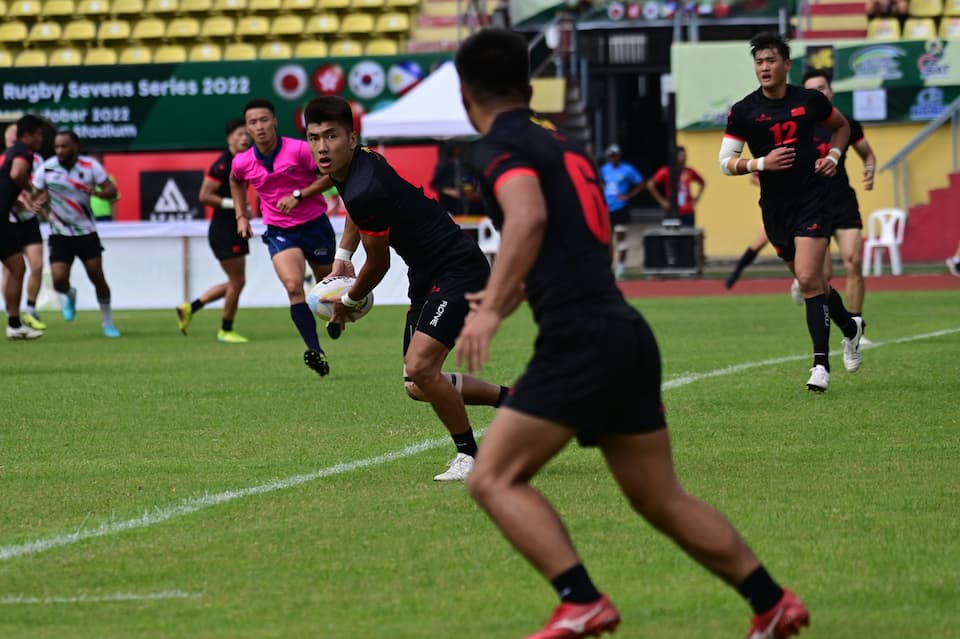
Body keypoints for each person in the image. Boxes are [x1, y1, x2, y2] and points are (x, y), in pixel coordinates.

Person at [453, 28, 810, 639]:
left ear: (466, 95)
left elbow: (529, 215)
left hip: (579, 340)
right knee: (660, 498)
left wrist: (488, 313)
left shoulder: (492, 150)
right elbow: (555, 241)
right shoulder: (560, 144)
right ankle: (770, 601)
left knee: (492, 477)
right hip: (624, 332)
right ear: (530, 87)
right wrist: (505, 295)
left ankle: (580, 599)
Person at [304, 95, 509, 482]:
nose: (322, 147)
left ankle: (471, 456)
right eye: (314, 138)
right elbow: (354, 211)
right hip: (426, 274)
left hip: (457, 269)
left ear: (352, 138)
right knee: (417, 384)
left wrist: (348, 300)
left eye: (331, 136)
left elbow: (378, 264)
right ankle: (518, 401)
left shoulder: (366, 184)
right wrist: (342, 256)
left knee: (420, 366)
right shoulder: (350, 167)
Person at [720, 31, 863, 392]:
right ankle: (851, 326)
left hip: (812, 199)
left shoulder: (810, 101)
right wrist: (760, 163)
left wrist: (833, 156)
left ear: (786, 65)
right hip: (775, 207)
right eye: (759, 62)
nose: (764, 67)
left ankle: (820, 366)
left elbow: (841, 127)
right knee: (809, 280)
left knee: (808, 277)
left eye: (770, 61)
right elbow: (725, 163)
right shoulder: (744, 111)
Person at [230, 98, 338, 376]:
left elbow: (331, 175)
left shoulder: (300, 150)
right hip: (279, 230)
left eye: (264, 120)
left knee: (328, 288)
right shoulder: (242, 161)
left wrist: (299, 195)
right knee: (293, 286)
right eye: (253, 122)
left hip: (315, 225)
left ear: (275, 121)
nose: (259, 126)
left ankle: (339, 319)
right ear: (248, 127)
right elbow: (235, 180)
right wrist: (241, 215)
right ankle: (316, 350)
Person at [803, 69, 876, 335]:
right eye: (812, 90)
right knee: (822, 278)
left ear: (831, 91)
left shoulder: (846, 123)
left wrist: (869, 168)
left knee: (853, 261)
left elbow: (867, 154)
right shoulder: (799, 127)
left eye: (822, 88)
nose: (818, 94)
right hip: (812, 206)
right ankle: (838, 321)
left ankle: (856, 325)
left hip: (842, 201)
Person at [33, 129, 120, 338]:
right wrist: (39, 205)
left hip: (86, 231)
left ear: (76, 146)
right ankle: (70, 295)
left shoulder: (91, 167)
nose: (60, 150)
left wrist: (97, 193)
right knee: (59, 280)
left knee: (97, 276)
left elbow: (112, 191)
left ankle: (107, 322)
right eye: (57, 146)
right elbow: (33, 194)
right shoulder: (47, 168)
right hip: (59, 233)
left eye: (64, 146)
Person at [178, 118, 253, 344]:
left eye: (246, 134)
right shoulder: (222, 164)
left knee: (235, 281)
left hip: (234, 226)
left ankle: (189, 308)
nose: (244, 138)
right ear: (229, 138)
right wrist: (236, 206)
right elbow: (204, 196)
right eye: (240, 134)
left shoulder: (245, 160)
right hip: (224, 228)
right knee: (237, 281)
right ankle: (225, 330)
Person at [1, 115, 45, 340]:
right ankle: (14, 324)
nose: (41, 138)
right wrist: (30, 189)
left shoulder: (7, 153)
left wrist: (14, 200)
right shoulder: (23, 153)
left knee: (17, 267)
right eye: (38, 134)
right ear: (26, 135)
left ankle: (15, 324)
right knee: (18, 268)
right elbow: (17, 174)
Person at [599, 143, 645, 279]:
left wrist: (629, 195)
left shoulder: (627, 169)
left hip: (620, 207)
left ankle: (620, 266)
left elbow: (640, 182)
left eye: (615, 156)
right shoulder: (604, 169)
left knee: (620, 236)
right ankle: (608, 265)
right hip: (607, 207)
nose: (613, 158)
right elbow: (600, 181)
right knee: (607, 239)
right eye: (610, 156)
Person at [647, 146, 706, 227]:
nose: (684, 158)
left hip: (687, 210)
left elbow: (702, 182)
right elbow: (650, 185)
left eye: (685, 155)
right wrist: (661, 201)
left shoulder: (689, 171)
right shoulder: (666, 171)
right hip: (672, 209)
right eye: (681, 155)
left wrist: (697, 198)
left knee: (688, 234)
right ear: (675, 156)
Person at [430, 142, 484, 217]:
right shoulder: (444, 164)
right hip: (448, 202)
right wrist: (449, 191)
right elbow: (434, 184)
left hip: (464, 201)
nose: (458, 150)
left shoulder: (464, 164)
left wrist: (467, 189)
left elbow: (468, 179)